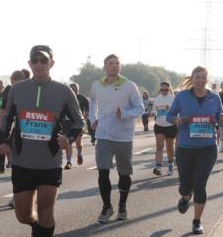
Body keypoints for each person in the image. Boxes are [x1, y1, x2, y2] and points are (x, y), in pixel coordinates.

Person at [0, 45, 83, 237]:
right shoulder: (17, 89)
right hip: (22, 160)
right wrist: (4, 141)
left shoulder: (64, 91)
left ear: (51, 63)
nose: (38, 64)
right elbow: (8, 119)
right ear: (29, 64)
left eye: (43, 61)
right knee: (24, 215)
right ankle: (36, 228)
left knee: (46, 208)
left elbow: (78, 121)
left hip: (50, 161)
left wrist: (69, 138)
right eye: (34, 60)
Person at [166, 66, 223, 234]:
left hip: (207, 147)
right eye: (197, 77)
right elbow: (169, 116)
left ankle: (197, 221)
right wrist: (177, 120)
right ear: (192, 78)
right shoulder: (181, 96)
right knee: (185, 186)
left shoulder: (214, 97)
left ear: (207, 79)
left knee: (200, 185)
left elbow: (221, 119)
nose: (200, 80)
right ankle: (186, 197)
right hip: (185, 147)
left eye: (203, 77)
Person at [89, 54, 145, 223]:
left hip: (123, 135)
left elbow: (140, 108)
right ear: (104, 67)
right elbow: (92, 102)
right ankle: (107, 206)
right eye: (110, 63)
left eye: (117, 63)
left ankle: (122, 205)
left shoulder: (129, 85)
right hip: (103, 134)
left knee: (124, 173)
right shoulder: (97, 85)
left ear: (120, 67)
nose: (114, 66)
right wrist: (93, 119)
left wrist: (125, 114)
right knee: (103, 172)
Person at [0, 69, 29, 208]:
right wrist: (2, 127)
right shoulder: (9, 91)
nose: (15, 88)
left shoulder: (33, 90)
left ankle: (29, 194)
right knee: (17, 167)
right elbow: (5, 112)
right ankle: (16, 196)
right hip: (17, 133)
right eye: (13, 84)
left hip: (33, 134)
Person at [151, 81, 176, 176]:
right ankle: (158, 166)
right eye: (162, 89)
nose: (164, 91)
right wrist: (153, 113)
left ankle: (170, 165)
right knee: (159, 145)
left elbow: (177, 111)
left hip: (170, 125)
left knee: (169, 147)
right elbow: (154, 110)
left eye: (166, 89)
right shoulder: (156, 99)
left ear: (169, 89)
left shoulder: (173, 99)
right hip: (159, 125)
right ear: (160, 90)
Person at [63, 82, 89, 168]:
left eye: (76, 89)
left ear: (78, 90)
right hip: (67, 123)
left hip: (78, 123)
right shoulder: (65, 97)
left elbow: (87, 111)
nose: (74, 91)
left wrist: (84, 120)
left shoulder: (82, 98)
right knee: (68, 142)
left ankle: (79, 154)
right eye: (72, 89)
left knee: (78, 143)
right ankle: (69, 162)